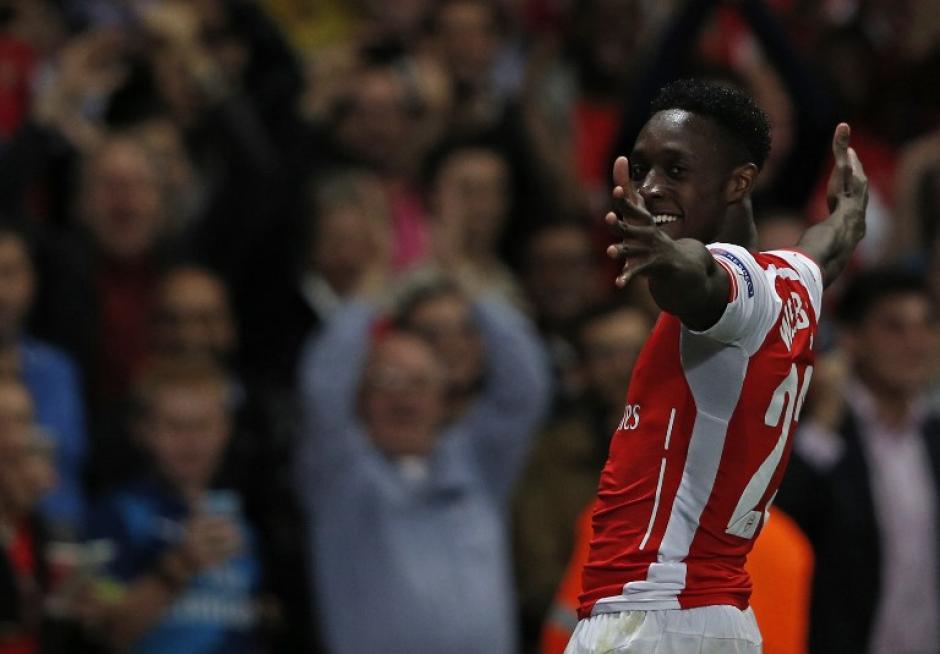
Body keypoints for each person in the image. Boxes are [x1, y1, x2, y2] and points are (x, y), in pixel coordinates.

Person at [566, 78, 868, 653]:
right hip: (714, 617)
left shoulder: (733, 285)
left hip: (650, 616)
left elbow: (703, 281)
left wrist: (664, 258)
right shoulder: (794, 282)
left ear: (739, 183)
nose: (651, 188)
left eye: (676, 171)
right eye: (645, 168)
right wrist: (852, 207)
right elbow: (830, 243)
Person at [295, 278, 550, 654]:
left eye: (419, 383)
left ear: (441, 397)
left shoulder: (477, 464)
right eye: (386, 380)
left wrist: (473, 286)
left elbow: (525, 388)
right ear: (361, 396)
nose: (404, 397)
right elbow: (321, 391)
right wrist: (369, 296)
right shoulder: (339, 475)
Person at [777, 268, 940, 653]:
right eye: (894, 328)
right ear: (853, 339)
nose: (914, 343)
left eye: (925, 326)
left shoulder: (933, 436)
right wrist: (823, 425)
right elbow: (780, 526)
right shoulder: (823, 436)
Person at [84, 358, 266, 654]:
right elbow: (109, 631)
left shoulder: (240, 519)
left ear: (226, 429)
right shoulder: (119, 514)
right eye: (175, 427)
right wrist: (180, 566)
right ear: (142, 430)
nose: (191, 442)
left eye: (203, 425)